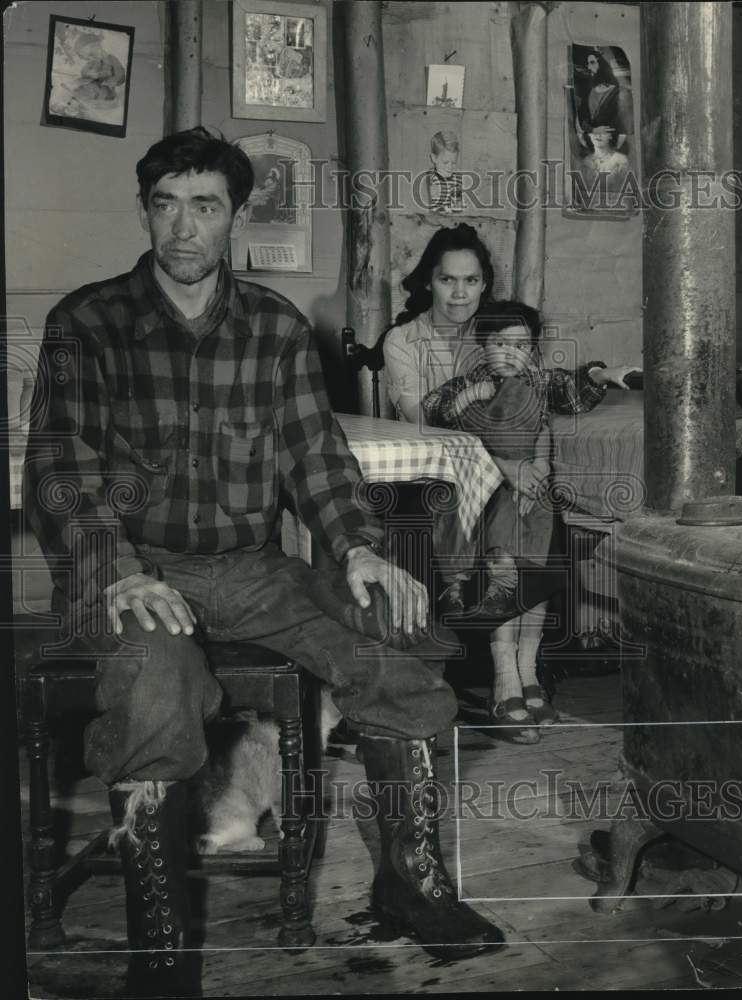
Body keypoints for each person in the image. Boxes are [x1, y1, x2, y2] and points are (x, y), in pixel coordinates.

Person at [23, 128, 504, 996]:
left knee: (396, 634)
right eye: (165, 204)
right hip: (133, 571)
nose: (182, 227)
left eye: (204, 207)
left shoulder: (275, 329)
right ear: (145, 210)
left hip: (249, 569)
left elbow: (314, 456)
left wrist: (355, 546)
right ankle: (161, 943)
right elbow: (63, 468)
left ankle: (410, 882)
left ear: (234, 217)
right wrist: (117, 572)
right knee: (157, 685)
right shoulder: (86, 323)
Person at [381, 224, 640, 725]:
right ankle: (505, 670)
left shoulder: (499, 333)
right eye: (447, 280)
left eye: (471, 281)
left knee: (543, 513)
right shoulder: (405, 340)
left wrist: (538, 460)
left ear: (484, 284)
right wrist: (506, 466)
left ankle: (527, 667)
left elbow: (546, 399)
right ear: (427, 282)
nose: (460, 293)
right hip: (436, 474)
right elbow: (426, 421)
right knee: (507, 517)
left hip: (513, 472)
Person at [421, 301, 563, 741]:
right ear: (481, 347)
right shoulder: (468, 385)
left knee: (540, 564)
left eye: (521, 345)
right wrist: (469, 397)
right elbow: (440, 420)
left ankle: (527, 666)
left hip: (528, 490)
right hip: (481, 489)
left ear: (534, 351)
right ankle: (505, 676)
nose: (509, 353)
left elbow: (544, 432)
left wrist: (539, 470)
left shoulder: (536, 388)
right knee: (505, 562)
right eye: (499, 343)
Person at [425, 131, 463, 214]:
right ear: (434, 158)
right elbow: (434, 208)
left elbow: (458, 206)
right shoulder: (431, 178)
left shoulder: (457, 178)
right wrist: (448, 209)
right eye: (445, 162)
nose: (450, 167)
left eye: (454, 162)